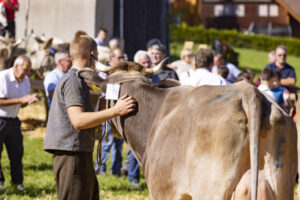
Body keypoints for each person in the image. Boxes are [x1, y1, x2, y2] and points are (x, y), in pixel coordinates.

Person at [44, 35, 136, 200]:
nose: (99, 58)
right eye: (98, 54)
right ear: (92, 53)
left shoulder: (78, 80)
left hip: (79, 152)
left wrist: (99, 110)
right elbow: (78, 121)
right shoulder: (73, 81)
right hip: (71, 154)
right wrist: (115, 110)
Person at [0, 55, 39, 191]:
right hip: (0, 119)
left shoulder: (25, 80)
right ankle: (1, 182)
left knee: (17, 153)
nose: (27, 73)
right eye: (25, 70)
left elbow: (20, 105)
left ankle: (18, 183)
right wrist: (20, 100)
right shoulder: (3, 77)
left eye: (29, 70)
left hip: (14, 120)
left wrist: (28, 101)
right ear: (16, 67)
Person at [95, 47, 126, 176]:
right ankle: (100, 170)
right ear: (111, 59)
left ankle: (116, 170)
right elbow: (100, 91)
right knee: (106, 143)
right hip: (107, 112)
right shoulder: (103, 73)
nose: (122, 60)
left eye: (123, 57)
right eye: (119, 58)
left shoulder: (125, 73)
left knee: (118, 144)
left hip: (121, 112)